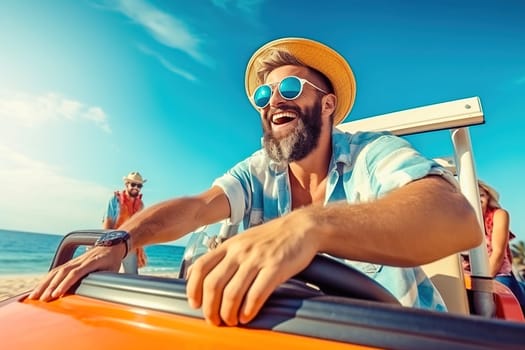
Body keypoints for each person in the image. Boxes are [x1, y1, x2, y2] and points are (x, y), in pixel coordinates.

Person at [29, 37, 482, 326]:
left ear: (327, 106)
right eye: (264, 96)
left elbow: (457, 219)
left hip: (401, 337)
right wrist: (119, 241)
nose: (271, 102)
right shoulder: (259, 169)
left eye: (289, 90)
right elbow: (197, 207)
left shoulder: (370, 152)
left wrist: (308, 227)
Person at [463, 180, 525, 312]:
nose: (477, 199)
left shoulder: (499, 215)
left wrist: (481, 284)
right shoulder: (460, 220)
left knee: (503, 299)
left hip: (496, 272)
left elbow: (498, 253)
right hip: (467, 274)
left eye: (481, 195)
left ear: (488, 197)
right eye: (472, 195)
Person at [102, 171, 148, 273]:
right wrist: (105, 247)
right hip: (113, 245)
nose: (136, 188)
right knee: (109, 277)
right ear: (126, 184)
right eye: (133, 184)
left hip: (130, 247)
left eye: (139, 185)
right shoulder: (115, 200)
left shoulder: (141, 205)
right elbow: (107, 224)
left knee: (132, 278)